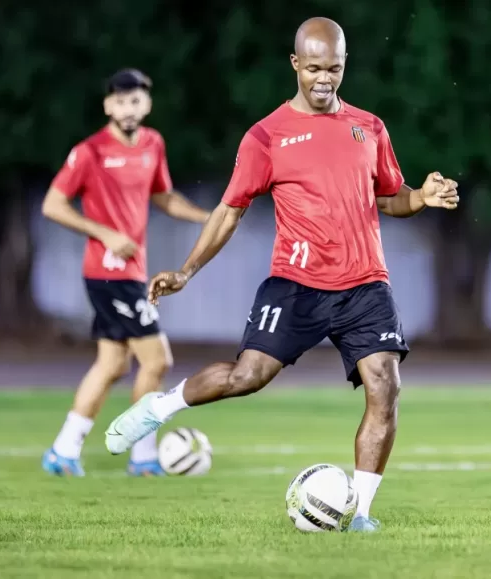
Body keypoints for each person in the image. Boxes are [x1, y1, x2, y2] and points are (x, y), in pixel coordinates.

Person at [103, 18, 459, 530]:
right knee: (247, 377)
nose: (324, 79)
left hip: (364, 283)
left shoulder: (369, 127)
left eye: (333, 68)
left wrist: (421, 197)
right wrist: (185, 272)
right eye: (313, 67)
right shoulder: (266, 137)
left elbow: (388, 196)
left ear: (344, 66)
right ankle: (159, 408)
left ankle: (360, 513)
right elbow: (229, 212)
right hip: (296, 285)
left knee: (385, 385)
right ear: (295, 64)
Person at [40, 69, 211, 477]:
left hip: (133, 272)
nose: (127, 108)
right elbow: (53, 205)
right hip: (107, 272)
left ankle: (63, 451)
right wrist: (104, 233)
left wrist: (211, 218)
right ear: (107, 105)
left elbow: (164, 197)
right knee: (157, 359)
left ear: (147, 104)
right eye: (119, 101)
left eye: (135, 101)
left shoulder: (154, 144)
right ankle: (143, 455)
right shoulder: (90, 152)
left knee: (113, 365)